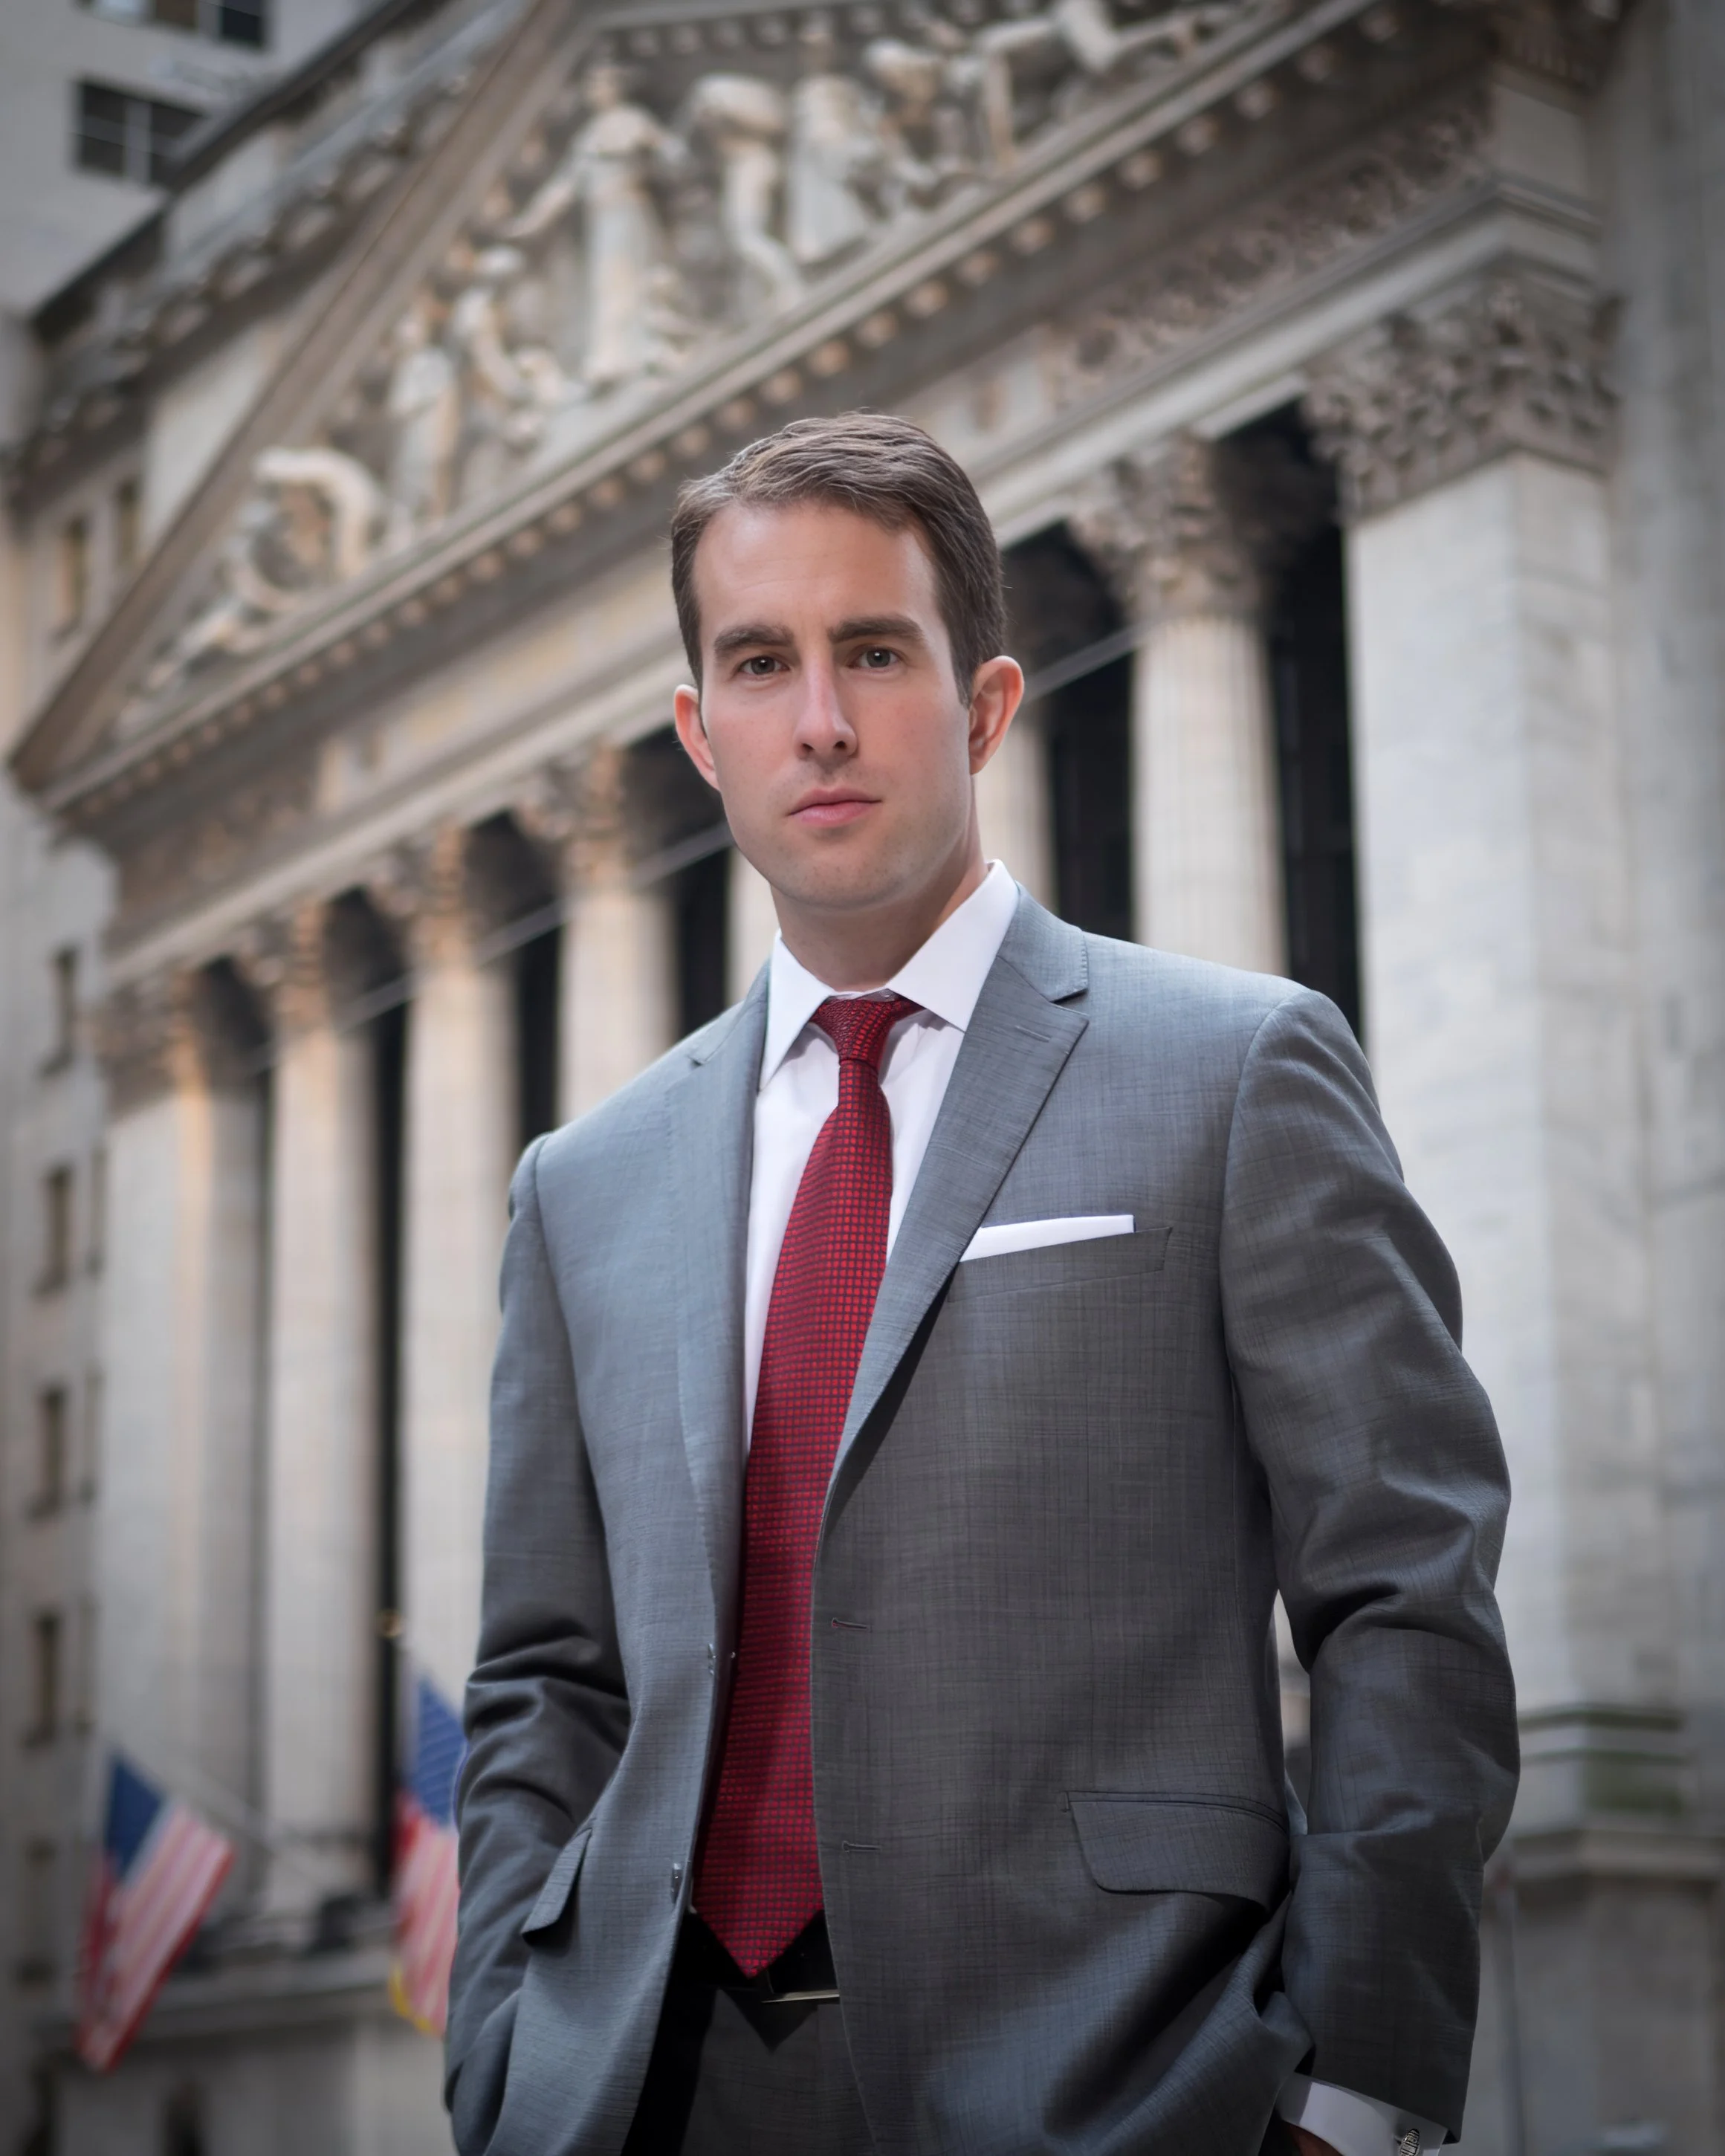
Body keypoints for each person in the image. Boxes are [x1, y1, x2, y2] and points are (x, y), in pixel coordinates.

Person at [446, 412, 1517, 2156]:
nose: (818, 718)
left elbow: (1406, 1589)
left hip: (1117, 2074)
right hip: (638, 2087)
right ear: (695, 733)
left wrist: (1350, 2086)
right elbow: (545, 1680)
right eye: (758, 662)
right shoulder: (584, 1186)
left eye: (873, 650)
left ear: (984, 703)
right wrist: (502, 2049)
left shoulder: (1234, 1070)